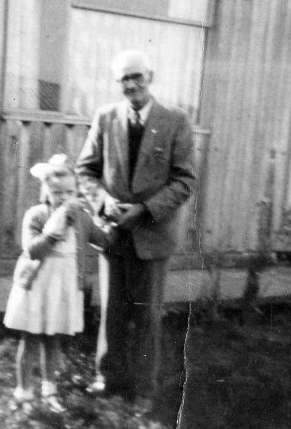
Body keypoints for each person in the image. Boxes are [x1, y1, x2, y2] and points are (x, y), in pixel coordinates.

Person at [75, 50, 197, 404]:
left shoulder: (175, 120)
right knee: (111, 311)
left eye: (136, 77)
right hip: (113, 232)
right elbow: (86, 170)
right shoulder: (106, 117)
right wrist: (103, 203)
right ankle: (107, 377)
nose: (130, 85)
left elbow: (185, 180)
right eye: (123, 79)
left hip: (153, 233)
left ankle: (143, 388)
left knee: (147, 316)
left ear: (150, 77)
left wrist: (144, 210)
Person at [3, 154, 108, 412]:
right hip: (37, 285)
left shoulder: (81, 217)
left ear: (77, 192)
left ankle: (50, 390)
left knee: (53, 341)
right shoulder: (37, 215)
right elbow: (32, 250)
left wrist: (108, 218)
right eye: (57, 192)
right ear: (46, 192)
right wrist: (54, 230)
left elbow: (103, 239)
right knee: (30, 340)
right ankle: (24, 392)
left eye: (69, 192)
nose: (63, 197)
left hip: (64, 287)